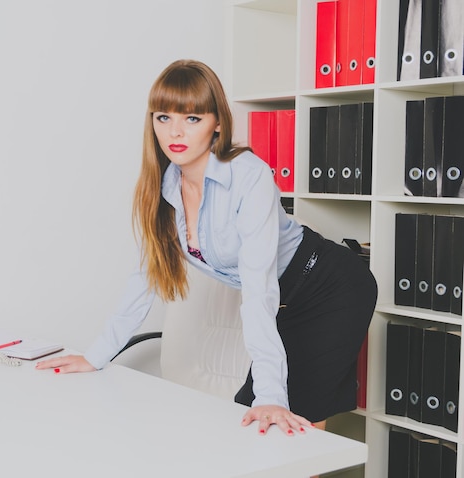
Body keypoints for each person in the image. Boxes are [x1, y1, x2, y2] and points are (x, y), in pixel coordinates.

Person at [37, 59, 378, 437]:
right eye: (163, 117)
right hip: (284, 300)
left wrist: (270, 395)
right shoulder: (163, 189)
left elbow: (259, 289)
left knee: (286, 428)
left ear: (217, 122)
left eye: (192, 118)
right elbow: (143, 282)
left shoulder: (249, 177)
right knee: (259, 425)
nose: (175, 131)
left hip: (331, 289)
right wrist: (95, 356)